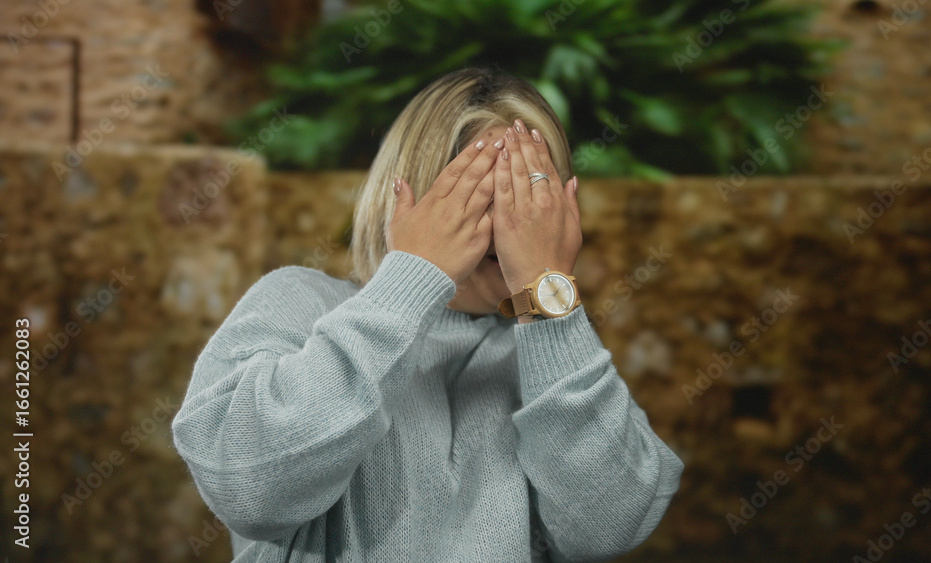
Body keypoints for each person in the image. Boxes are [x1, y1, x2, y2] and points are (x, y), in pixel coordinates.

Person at [171, 67, 684, 562]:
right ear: (410, 195)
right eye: (475, 192)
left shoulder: (556, 353)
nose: (510, 225)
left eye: (530, 191)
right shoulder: (299, 302)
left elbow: (609, 529)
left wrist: (548, 298)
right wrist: (414, 277)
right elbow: (249, 489)